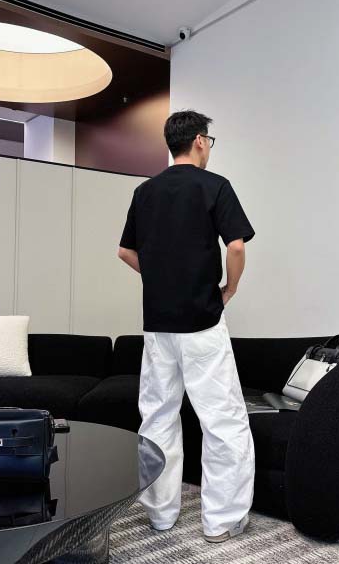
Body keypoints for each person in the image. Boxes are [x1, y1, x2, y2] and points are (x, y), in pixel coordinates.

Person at [118, 109, 256, 543]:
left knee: (158, 417)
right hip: (202, 324)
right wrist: (229, 288)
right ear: (199, 140)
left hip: (158, 327)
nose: (208, 148)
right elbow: (236, 246)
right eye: (208, 141)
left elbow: (125, 252)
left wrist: (162, 278)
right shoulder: (215, 186)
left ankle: (160, 514)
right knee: (222, 419)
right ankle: (222, 520)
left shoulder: (145, 192)